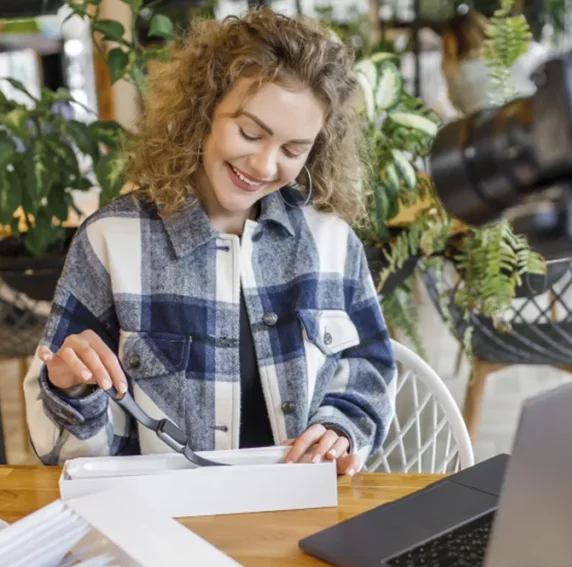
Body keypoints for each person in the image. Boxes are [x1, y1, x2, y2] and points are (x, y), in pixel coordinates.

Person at [22, 9, 396, 477]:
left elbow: (370, 366)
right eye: (250, 133)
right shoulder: (108, 241)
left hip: (302, 510)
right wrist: (68, 388)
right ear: (203, 111)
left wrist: (342, 426)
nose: (263, 164)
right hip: (163, 522)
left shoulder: (332, 242)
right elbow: (62, 454)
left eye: (292, 149)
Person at [439, 4, 551, 116]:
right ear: (485, 28)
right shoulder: (522, 53)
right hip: (533, 123)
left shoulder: (455, 73)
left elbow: (459, 106)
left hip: (485, 130)